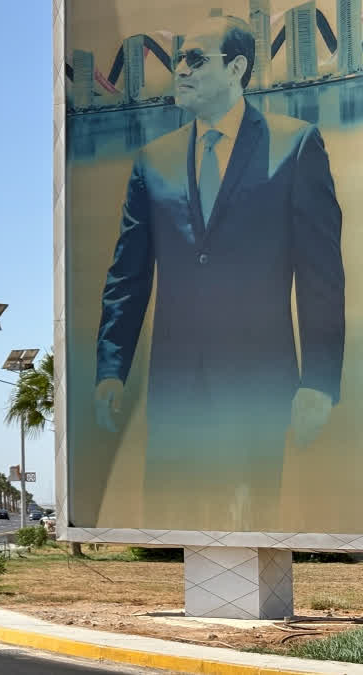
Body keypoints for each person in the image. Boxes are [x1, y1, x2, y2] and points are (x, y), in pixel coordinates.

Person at [93, 15, 345, 530]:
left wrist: (319, 382)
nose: (180, 70)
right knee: (175, 524)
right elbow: (127, 278)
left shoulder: (295, 146)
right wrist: (111, 370)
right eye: (177, 59)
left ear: (236, 67)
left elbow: (321, 275)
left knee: (256, 529)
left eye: (195, 59)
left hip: (260, 391)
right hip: (175, 395)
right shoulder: (152, 161)